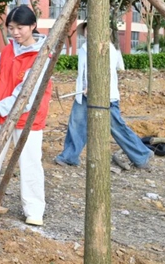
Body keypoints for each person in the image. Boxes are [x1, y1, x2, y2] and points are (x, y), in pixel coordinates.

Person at [0, 5, 52, 226]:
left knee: (29, 162)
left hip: (27, 118)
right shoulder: (9, 49)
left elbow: (26, 95)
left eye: (20, 28)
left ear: (32, 26)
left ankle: (34, 209)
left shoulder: (42, 56)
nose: (15, 32)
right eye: (11, 28)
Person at [54, 21, 153, 169]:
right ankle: (69, 157)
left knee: (117, 128)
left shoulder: (108, 49)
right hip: (84, 95)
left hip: (105, 96)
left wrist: (94, 86)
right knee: (76, 125)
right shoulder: (84, 48)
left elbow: (107, 72)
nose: (89, 32)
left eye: (93, 29)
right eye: (87, 30)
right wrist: (86, 87)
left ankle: (142, 155)